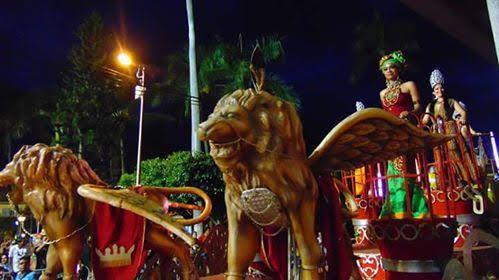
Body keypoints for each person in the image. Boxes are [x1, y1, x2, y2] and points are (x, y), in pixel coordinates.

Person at [378, 50, 429, 219]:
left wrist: (408, 113)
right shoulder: (382, 94)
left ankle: (412, 210)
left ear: (398, 69)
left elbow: (418, 107)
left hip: (406, 132)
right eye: (386, 69)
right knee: (392, 172)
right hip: (391, 135)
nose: (389, 71)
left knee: (405, 169)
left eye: (392, 67)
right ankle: (395, 210)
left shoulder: (408, 86)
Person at [422, 69, 478, 184]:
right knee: (439, 156)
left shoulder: (451, 101)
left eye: (441, 88)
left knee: (455, 153)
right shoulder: (430, 105)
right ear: (433, 91)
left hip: (450, 130)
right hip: (437, 132)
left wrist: (463, 119)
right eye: (436, 89)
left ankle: (464, 179)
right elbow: (425, 120)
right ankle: (446, 181)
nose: (439, 90)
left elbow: (463, 113)